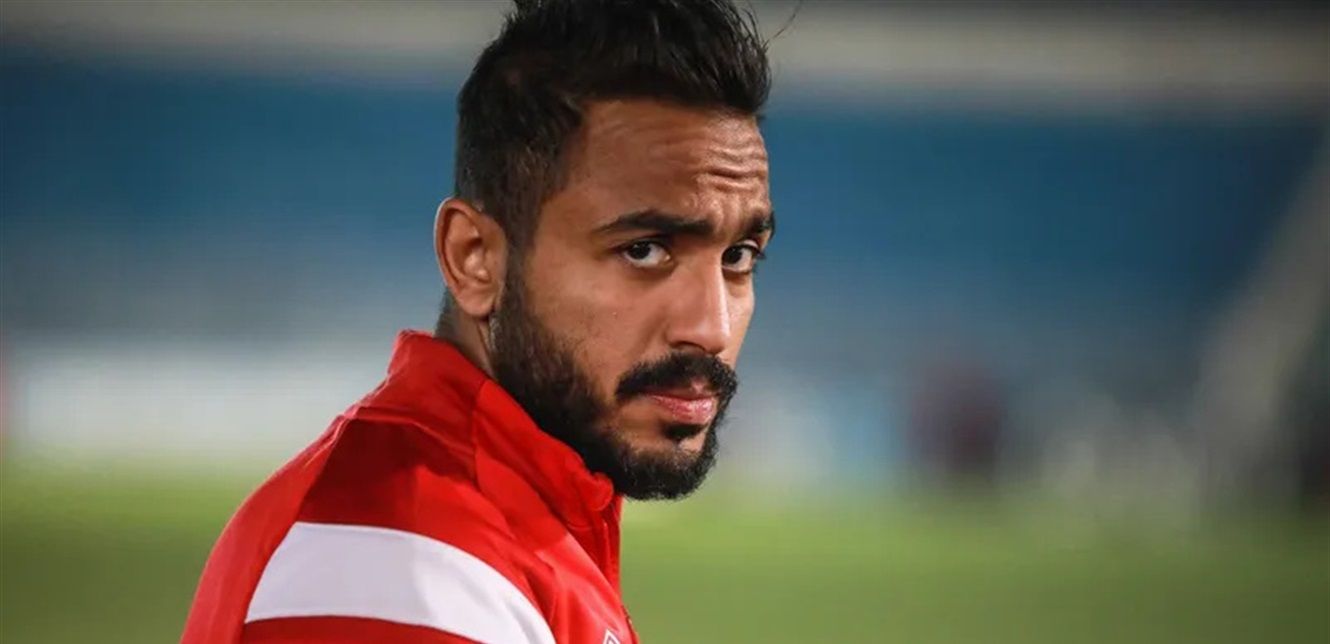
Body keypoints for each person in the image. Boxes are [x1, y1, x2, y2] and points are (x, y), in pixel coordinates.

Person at [180, 0, 774, 642]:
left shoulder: (509, 526)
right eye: (643, 251)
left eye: (739, 257)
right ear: (475, 259)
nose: (711, 328)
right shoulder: (401, 564)